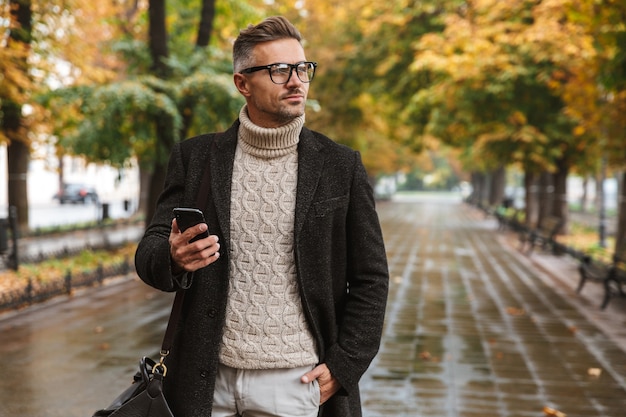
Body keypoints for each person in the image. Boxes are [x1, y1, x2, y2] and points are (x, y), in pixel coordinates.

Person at [135, 15, 389, 417]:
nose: (296, 81)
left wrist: (345, 366)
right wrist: (171, 257)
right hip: (205, 382)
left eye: (303, 68)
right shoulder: (196, 158)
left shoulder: (341, 166)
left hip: (295, 382)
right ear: (242, 83)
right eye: (279, 70)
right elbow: (149, 252)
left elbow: (371, 278)